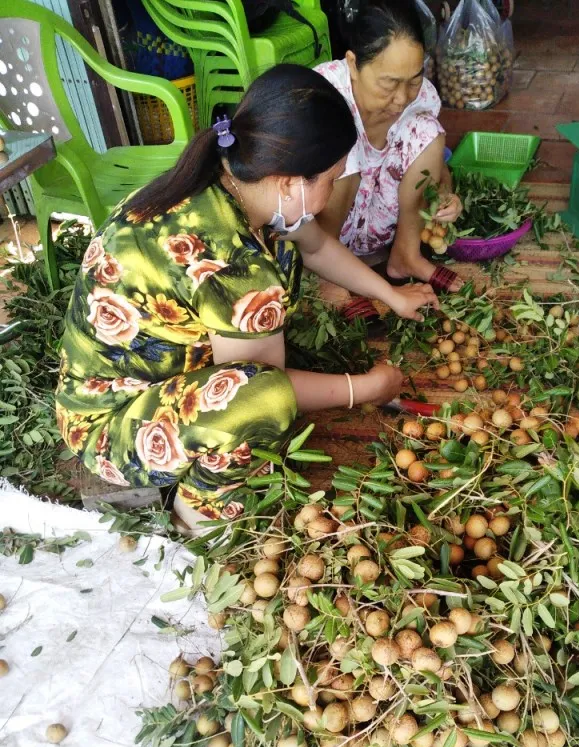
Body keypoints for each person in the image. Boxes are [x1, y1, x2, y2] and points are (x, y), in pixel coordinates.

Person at [55, 65, 437, 532]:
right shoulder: (233, 262)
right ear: (290, 181)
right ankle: (195, 514)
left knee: (286, 260)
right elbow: (263, 383)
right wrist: (366, 389)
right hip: (111, 426)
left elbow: (315, 244)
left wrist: (391, 295)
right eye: (332, 178)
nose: (335, 190)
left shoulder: (235, 178)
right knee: (266, 403)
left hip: (117, 379)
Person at [314, 0, 463, 308]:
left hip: (378, 226)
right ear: (353, 64)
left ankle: (406, 255)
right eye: (389, 83)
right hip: (319, 234)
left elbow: (438, 164)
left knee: (428, 131)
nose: (401, 98)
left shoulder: (420, 99)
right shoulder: (323, 92)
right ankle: (325, 275)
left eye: (414, 79)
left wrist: (445, 194)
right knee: (342, 141)